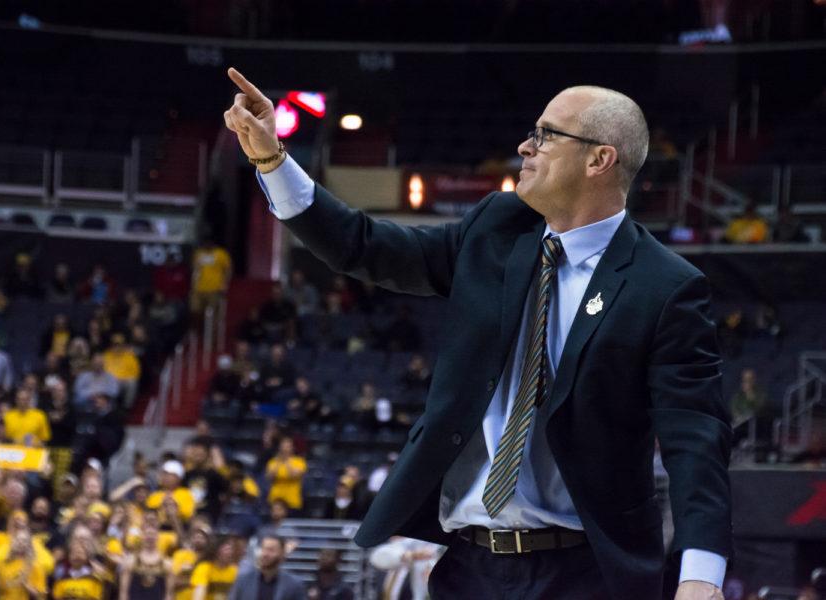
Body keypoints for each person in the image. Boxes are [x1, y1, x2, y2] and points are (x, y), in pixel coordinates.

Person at [225, 69, 732, 600]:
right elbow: (365, 246)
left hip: (587, 573)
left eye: (545, 135)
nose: (524, 146)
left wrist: (700, 576)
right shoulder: (497, 228)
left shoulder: (666, 286)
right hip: (468, 566)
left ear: (599, 159)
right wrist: (272, 161)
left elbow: (695, 439)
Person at [229, 534, 305, 600]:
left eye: (271, 550)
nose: (265, 554)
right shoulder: (243, 580)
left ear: (282, 554)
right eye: (263, 549)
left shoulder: (294, 585)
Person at [264, 437, 307, 513]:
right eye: (283, 446)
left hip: (292, 500)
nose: (285, 448)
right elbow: (269, 477)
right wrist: (278, 462)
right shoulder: (273, 461)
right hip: (275, 500)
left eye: (287, 446)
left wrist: (286, 461)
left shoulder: (299, 461)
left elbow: (294, 475)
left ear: (292, 448)